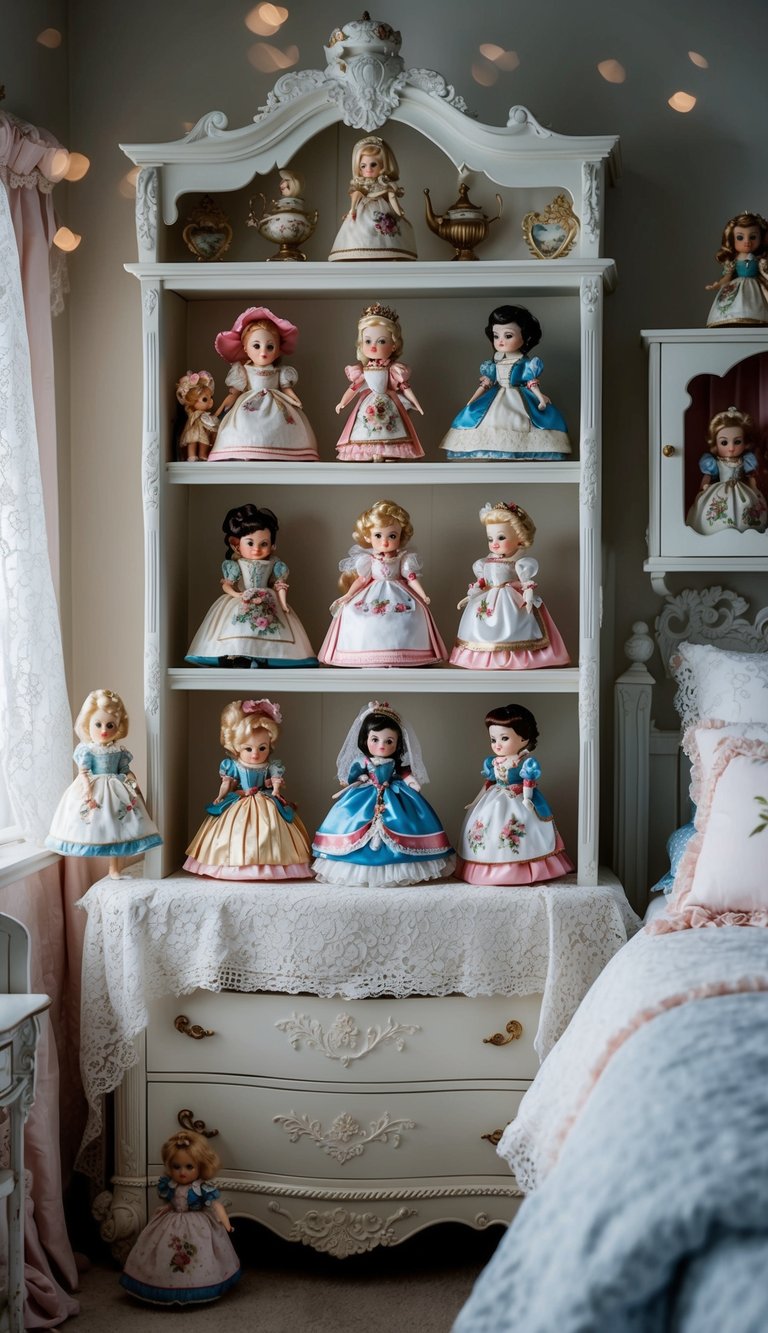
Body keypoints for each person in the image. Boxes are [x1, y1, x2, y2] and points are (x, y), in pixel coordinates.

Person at [312, 701, 455, 885]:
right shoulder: (363, 762)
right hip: (366, 794)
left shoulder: (395, 764)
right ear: (365, 739)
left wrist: (411, 782)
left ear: (397, 743)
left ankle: (402, 865)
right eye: (375, 739)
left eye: (389, 741)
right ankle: (358, 865)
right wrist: (360, 778)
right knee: (354, 823)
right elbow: (352, 775)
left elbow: (405, 774)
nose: (382, 745)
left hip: (394, 793)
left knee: (404, 823)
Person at [184, 697, 313, 880]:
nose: (255, 754)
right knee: (232, 831)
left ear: (270, 746)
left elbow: (275, 780)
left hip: (265, 799)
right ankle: (234, 864)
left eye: (262, 748)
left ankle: (272, 864)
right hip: (240, 799)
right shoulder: (233, 766)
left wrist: (275, 790)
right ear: (237, 748)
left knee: (273, 829)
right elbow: (227, 784)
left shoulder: (272, 766)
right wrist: (221, 796)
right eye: (248, 749)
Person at [45, 688, 161, 879]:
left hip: (117, 788)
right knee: (103, 824)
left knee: (120, 826)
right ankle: (110, 867)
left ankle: (114, 869)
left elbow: (124, 770)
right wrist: (87, 789)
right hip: (97, 786)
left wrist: (133, 781)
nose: (104, 730)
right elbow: (83, 772)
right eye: (98, 724)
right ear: (87, 724)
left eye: (110, 725)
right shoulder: (88, 750)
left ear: (119, 726)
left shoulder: (119, 750)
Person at [318, 498, 446, 667]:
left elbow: (411, 578)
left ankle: (402, 654)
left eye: (392, 535)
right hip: (372, 591)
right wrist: (348, 595)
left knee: (407, 617)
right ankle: (365, 653)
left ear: (401, 537)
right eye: (378, 535)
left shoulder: (403, 559)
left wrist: (423, 595)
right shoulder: (368, 560)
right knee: (358, 614)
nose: (384, 541)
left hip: (400, 591)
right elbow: (362, 579)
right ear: (368, 536)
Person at [455, 702, 574, 885]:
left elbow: (528, 782)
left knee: (523, 830)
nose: (498, 745)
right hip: (494, 797)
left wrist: (527, 799)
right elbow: (489, 783)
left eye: (504, 738)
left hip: (518, 798)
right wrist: (475, 801)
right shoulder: (492, 762)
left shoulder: (524, 762)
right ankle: (485, 869)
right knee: (488, 829)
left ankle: (524, 869)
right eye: (493, 740)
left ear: (524, 738)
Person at [186, 503, 317, 667]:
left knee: (270, 628)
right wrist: (236, 595)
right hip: (241, 597)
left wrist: (283, 604)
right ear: (236, 544)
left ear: (272, 545)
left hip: (268, 598)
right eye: (250, 543)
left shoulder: (275, 564)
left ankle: (261, 658)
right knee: (237, 628)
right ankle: (238, 657)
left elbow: (280, 585)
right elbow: (227, 585)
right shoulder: (235, 565)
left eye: (263, 544)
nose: (256, 549)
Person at [119, 1129, 240, 1305]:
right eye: (177, 1167)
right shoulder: (170, 1185)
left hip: (198, 1223)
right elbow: (170, 1200)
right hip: (172, 1219)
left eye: (189, 1167)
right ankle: (161, 1283)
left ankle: (200, 1284)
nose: (182, 1172)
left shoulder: (201, 1188)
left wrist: (226, 1223)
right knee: (159, 1248)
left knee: (203, 1253)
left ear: (201, 1166)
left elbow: (216, 1205)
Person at [440, 304, 571, 460]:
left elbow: (531, 382)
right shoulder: (493, 363)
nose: (501, 341)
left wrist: (540, 398)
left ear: (525, 337)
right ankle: (490, 450)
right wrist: (472, 400)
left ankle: (520, 450)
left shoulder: (525, 363)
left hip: (518, 396)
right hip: (496, 395)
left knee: (522, 423)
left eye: (508, 336)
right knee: (482, 419)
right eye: (496, 336)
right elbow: (486, 384)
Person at [450, 501, 570, 669]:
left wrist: (528, 597)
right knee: (483, 628)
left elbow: (526, 583)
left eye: (501, 537)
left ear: (519, 539)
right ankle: (485, 659)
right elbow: (482, 582)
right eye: (490, 538)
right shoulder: (485, 562)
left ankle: (516, 658)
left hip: (510, 599)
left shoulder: (520, 563)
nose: (494, 543)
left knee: (513, 629)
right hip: (488, 597)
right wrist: (470, 596)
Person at [208, 305, 319, 460]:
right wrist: (221, 409)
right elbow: (233, 394)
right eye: (256, 345)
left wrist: (295, 400)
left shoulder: (281, 371)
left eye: (270, 346)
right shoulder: (242, 371)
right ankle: (247, 451)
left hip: (277, 402)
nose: (263, 352)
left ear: (279, 349)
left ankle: (280, 452)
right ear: (245, 348)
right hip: (248, 401)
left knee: (281, 424)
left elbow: (286, 389)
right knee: (245, 423)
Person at [334, 303, 425, 460]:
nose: (374, 346)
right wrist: (342, 403)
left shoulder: (393, 369)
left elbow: (405, 388)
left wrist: (417, 405)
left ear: (394, 345)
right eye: (368, 341)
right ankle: (370, 453)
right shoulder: (362, 370)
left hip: (388, 401)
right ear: (361, 344)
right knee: (365, 426)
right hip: (368, 401)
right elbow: (354, 387)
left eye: (381, 341)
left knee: (390, 427)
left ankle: (388, 452)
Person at [329, 135, 417, 261]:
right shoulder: (360, 185)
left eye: (373, 165)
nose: (368, 169)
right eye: (363, 166)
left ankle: (385, 253)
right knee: (361, 230)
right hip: (363, 209)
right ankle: (362, 253)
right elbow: (356, 196)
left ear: (382, 166)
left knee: (386, 229)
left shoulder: (384, 183)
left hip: (382, 208)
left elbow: (391, 196)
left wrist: (399, 211)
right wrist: (352, 210)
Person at [686, 406, 768, 534]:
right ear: (715, 444)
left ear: (745, 443)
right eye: (724, 443)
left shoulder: (746, 461)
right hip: (719, 489)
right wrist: (704, 488)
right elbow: (707, 476)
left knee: (748, 508)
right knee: (713, 509)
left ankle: (748, 532)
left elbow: (751, 477)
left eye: (737, 442)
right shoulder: (713, 462)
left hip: (742, 488)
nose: (731, 448)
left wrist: (754, 489)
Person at [705, 211, 768, 328]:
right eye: (740, 237)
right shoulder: (733, 262)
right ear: (732, 239)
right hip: (736, 287)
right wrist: (718, 285)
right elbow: (727, 277)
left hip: (755, 288)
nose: (747, 242)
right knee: (732, 307)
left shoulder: (760, 260)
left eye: (753, 237)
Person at [175, 369, 218, 460]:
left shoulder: (205, 414)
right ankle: (192, 455)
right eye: (205, 399)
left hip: (203, 431)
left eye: (211, 398)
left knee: (204, 441)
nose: (211, 402)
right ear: (193, 400)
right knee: (192, 441)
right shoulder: (191, 411)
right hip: (193, 429)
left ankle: (202, 454)